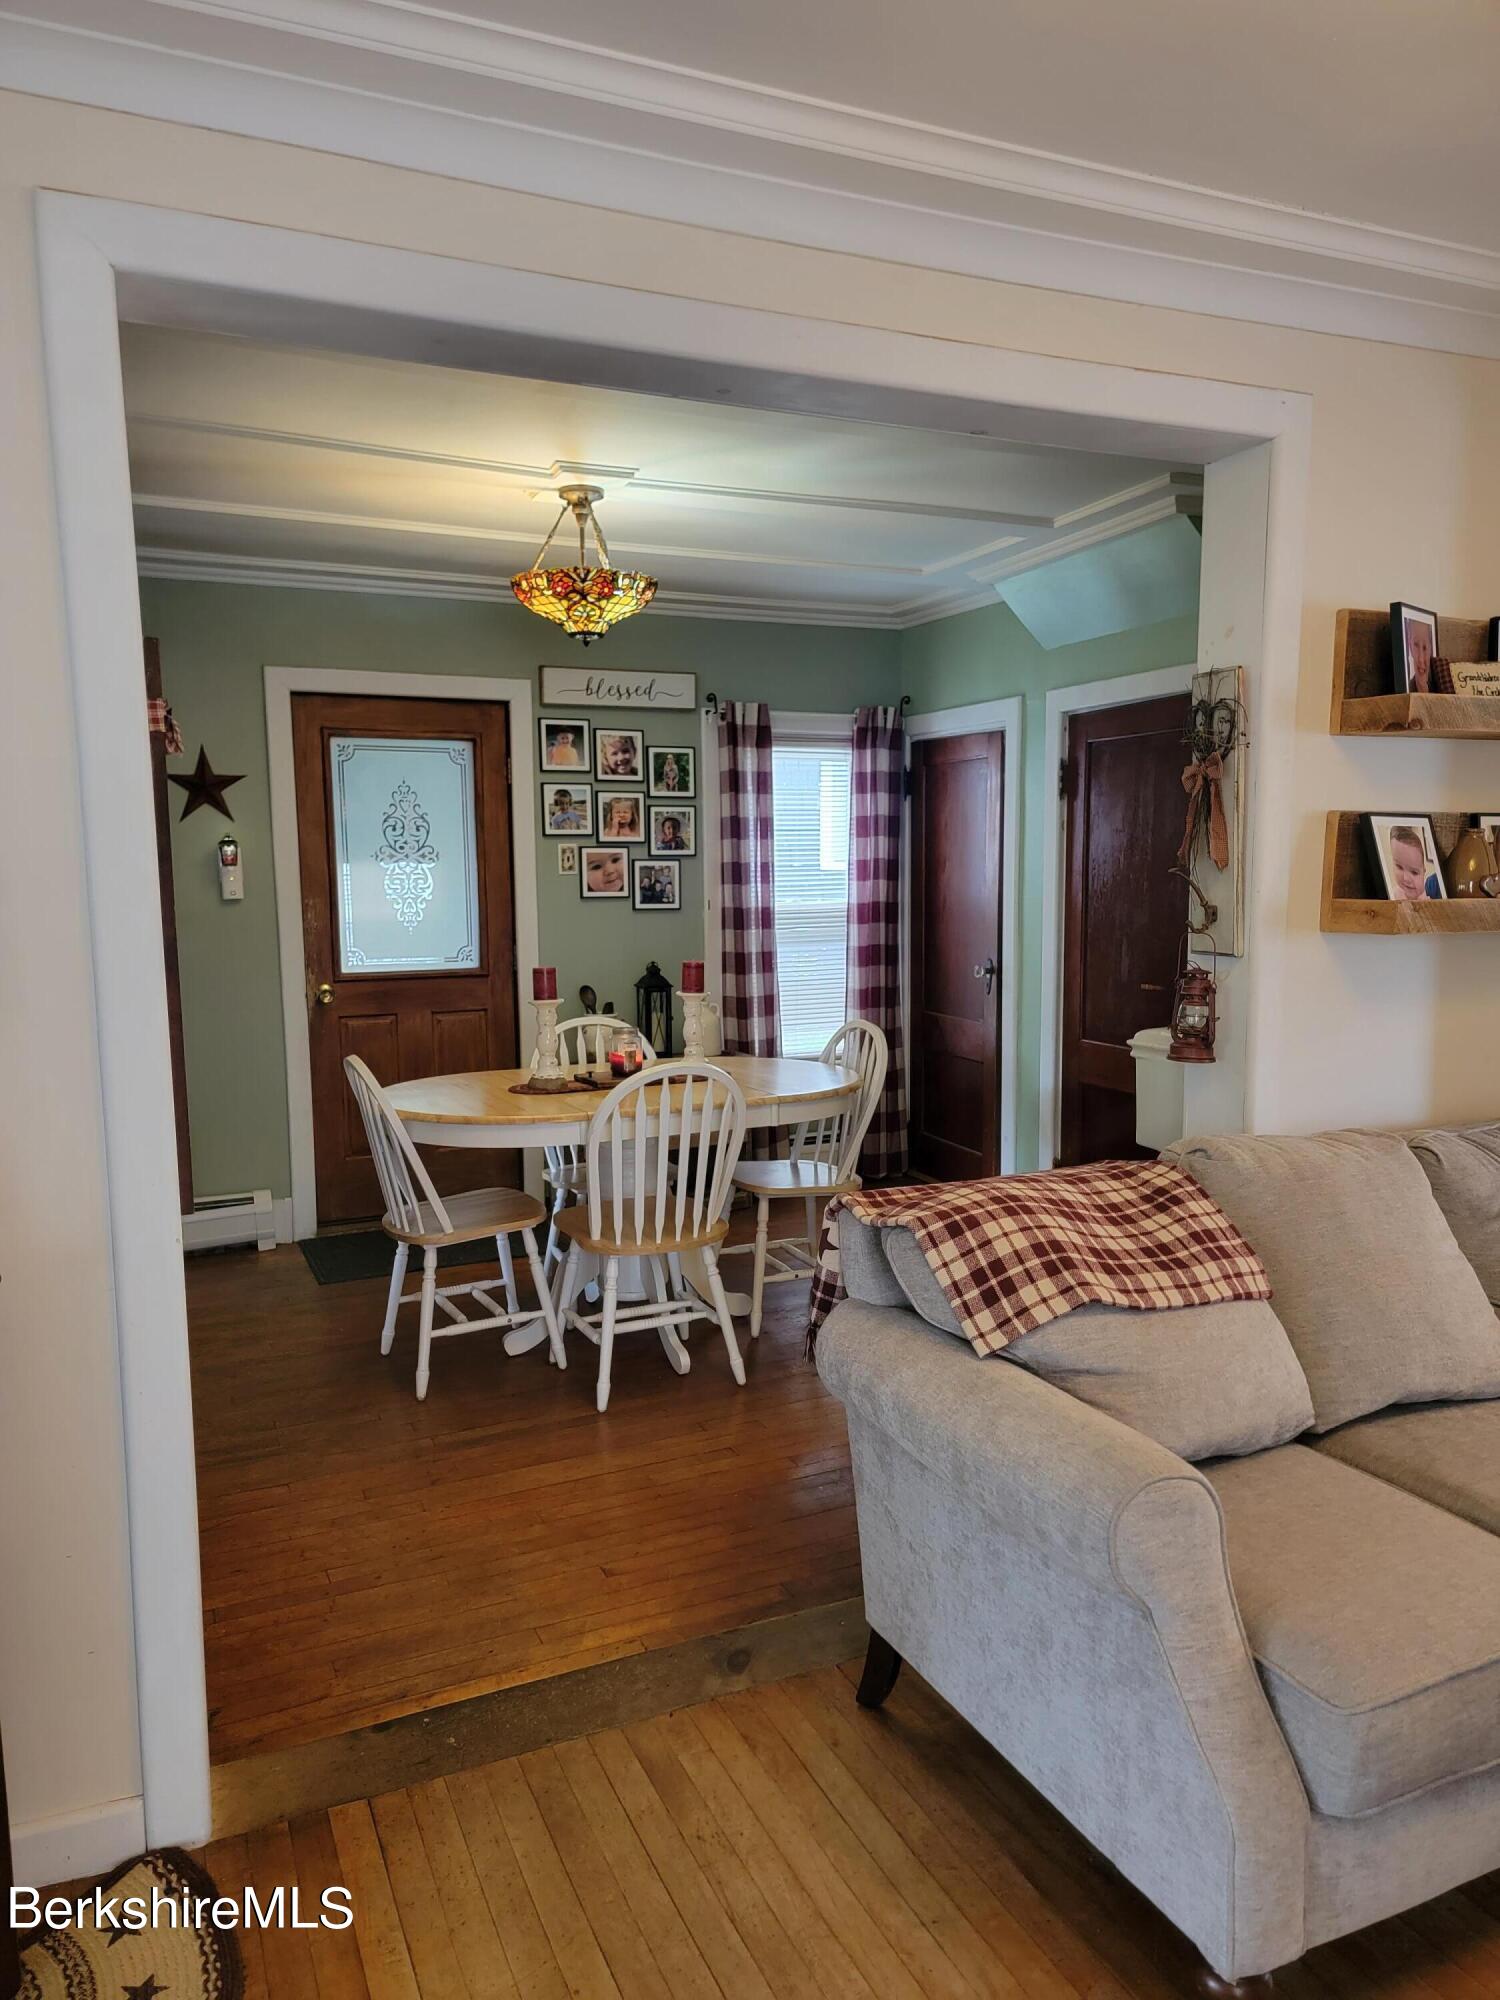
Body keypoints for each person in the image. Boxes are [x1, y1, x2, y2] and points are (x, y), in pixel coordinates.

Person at [1388, 824, 1439, 901]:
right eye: (1399, 867)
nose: (1406, 878)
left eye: (1414, 872)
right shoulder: (1393, 896)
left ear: (1423, 873)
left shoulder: (1428, 899)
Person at [1405, 617, 1435, 695]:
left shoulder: (1440, 687)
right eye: (1416, 645)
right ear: (1410, 645)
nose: (1421, 659)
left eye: (1425, 647)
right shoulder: (1407, 691)